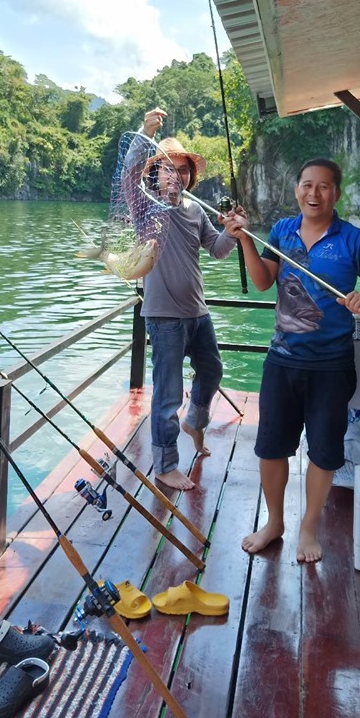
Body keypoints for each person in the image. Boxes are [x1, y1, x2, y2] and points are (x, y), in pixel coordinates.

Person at [225, 158, 360, 562]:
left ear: (336, 193)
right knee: (270, 448)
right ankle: (274, 522)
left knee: (324, 451)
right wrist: (246, 239)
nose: (313, 193)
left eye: (323, 186)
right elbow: (265, 281)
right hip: (281, 360)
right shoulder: (283, 231)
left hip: (332, 366)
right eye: (306, 185)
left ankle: (308, 528)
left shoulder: (354, 239)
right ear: (297, 190)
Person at [125, 107, 241, 491]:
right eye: (169, 168)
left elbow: (217, 249)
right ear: (156, 174)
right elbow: (129, 175)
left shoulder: (194, 210)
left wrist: (234, 231)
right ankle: (165, 464)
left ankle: (195, 421)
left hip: (198, 312)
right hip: (163, 318)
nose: (178, 175)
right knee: (167, 394)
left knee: (212, 371)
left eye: (184, 169)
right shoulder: (144, 207)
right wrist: (145, 133)